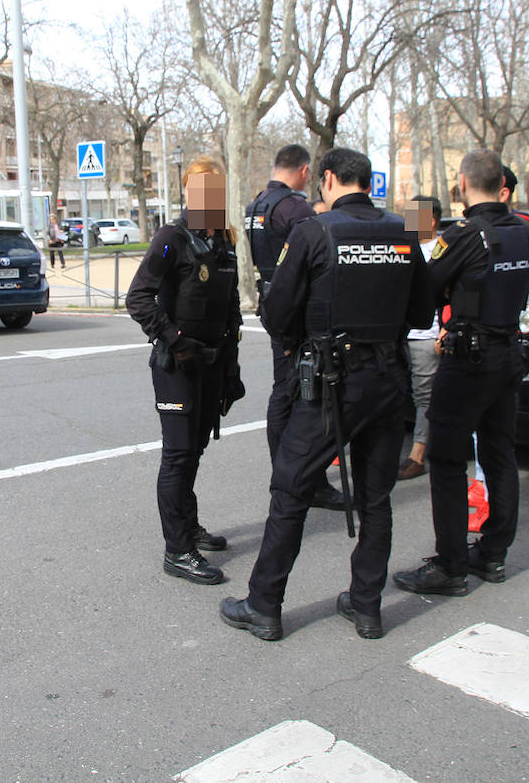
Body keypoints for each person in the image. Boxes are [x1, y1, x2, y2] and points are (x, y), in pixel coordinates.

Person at [220, 147, 433, 641]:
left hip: (331, 385)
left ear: (330, 179)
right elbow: (423, 312)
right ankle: (367, 607)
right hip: (387, 379)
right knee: (376, 498)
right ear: (368, 182)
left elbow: (275, 315)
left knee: (290, 490)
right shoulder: (403, 231)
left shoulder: (314, 232)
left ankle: (264, 606)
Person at [393, 148, 529, 598]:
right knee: (499, 455)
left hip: (469, 359)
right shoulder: (523, 233)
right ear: (503, 186)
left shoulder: (463, 236)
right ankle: (493, 552)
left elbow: (425, 286)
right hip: (508, 354)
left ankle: (450, 565)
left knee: (448, 459)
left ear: (461, 183)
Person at [126, 157, 244, 586]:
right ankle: (177, 550)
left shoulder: (224, 241)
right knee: (177, 456)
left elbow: (231, 309)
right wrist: (174, 338)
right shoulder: (170, 239)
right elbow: (138, 298)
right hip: (177, 365)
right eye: (202, 190)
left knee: (194, 450)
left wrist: (231, 369)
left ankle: (188, 526)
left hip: (212, 366)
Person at [244, 144, 347, 512]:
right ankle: (305, 478)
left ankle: (291, 473)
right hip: (298, 310)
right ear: (305, 171)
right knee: (301, 394)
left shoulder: (257, 205)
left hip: (271, 300)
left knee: (283, 390)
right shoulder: (295, 208)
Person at [396, 195, 442, 481]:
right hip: (401, 334)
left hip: (428, 335)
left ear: (432, 220)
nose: (407, 223)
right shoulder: (403, 247)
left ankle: (418, 455)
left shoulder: (444, 249)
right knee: (400, 394)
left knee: (424, 395)